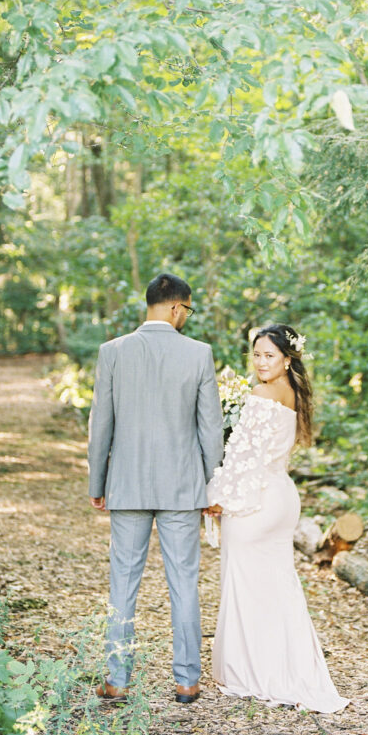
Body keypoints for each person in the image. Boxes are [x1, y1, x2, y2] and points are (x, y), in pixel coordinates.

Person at [88, 272, 223, 703]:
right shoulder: (199, 355)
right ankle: (187, 681)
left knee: (122, 584)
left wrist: (98, 482)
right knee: (183, 583)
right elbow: (211, 430)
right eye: (188, 310)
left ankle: (116, 679)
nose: (186, 317)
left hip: (126, 485)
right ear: (177, 307)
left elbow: (101, 425)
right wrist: (211, 484)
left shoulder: (113, 352)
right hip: (182, 488)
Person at [204, 324, 348, 713]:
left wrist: (216, 498)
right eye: (257, 355)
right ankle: (289, 667)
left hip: (256, 501)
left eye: (269, 355)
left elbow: (242, 458)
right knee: (279, 588)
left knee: (245, 584)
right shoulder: (295, 395)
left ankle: (249, 671)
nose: (261, 362)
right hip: (282, 497)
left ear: (287, 359)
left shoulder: (262, 393)